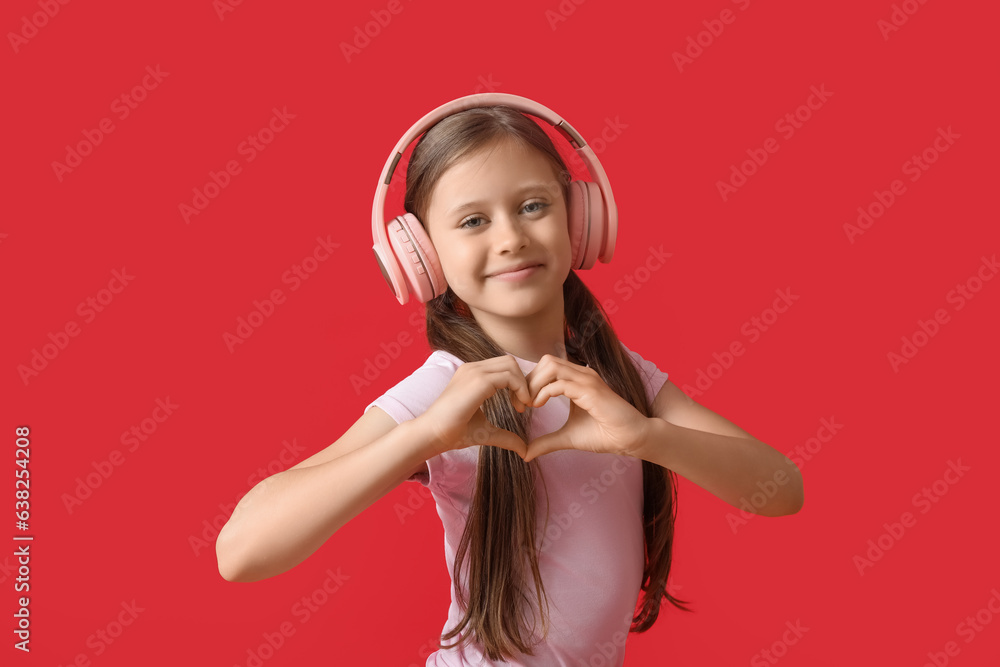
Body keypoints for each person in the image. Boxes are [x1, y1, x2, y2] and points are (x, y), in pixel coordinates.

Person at [215, 94, 804, 666]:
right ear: (422, 255)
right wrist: (422, 438)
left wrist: (646, 437)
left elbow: (781, 489)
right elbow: (241, 552)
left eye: (533, 206)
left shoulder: (620, 378)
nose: (510, 238)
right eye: (473, 220)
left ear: (578, 218)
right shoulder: (446, 390)